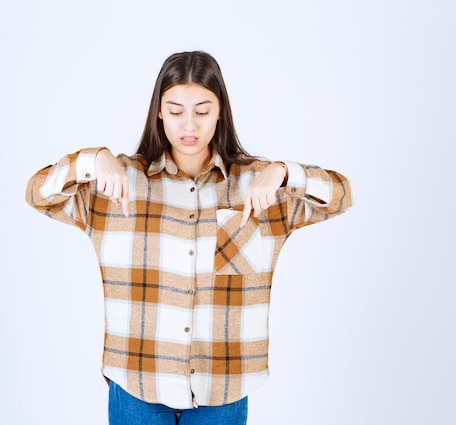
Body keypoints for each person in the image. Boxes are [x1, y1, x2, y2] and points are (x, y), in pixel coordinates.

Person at [26, 50, 352, 425]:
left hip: (224, 390)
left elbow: (340, 196)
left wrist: (282, 172)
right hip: (136, 385)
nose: (189, 125)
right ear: (160, 111)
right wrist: (92, 159)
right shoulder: (117, 183)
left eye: (202, 110)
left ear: (220, 112)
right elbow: (38, 194)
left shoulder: (257, 187)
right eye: (176, 110)